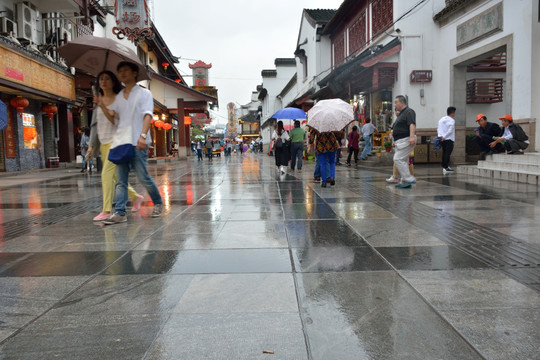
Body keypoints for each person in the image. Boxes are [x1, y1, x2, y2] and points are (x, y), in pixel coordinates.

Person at [99, 61, 163, 224]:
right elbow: (116, 119)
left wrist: (143, 135)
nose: (122, 74)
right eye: (120, 71)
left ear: (135, 73)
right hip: (122, 142)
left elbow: (148, 115)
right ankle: (120, 212)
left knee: (143, 177)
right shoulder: (119, 96)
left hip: (138, 141)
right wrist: (104, 107)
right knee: (121, 180)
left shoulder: (144, 94)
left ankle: (157, 203)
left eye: (126, 70)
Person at [88, 70, 144, 222]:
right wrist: (91, 145)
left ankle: (106, 210)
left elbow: (119, 121)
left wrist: (105, 108)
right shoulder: (98, 100)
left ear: (114, 81)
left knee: (106, 174)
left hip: (117, 142)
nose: (103, 81)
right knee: (115, 177)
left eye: (107, 78)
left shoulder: (119, 100)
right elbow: (94, 125)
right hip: (104, 143)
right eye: (101, 79)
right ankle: (136, 197)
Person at [392, 95, 416, 188]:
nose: (395, 104)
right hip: (400, 141)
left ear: (402, 102)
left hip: (406, 139)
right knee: (404, 160)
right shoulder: (401, 113)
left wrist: (411, 137)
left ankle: (408, 178)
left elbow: (412, 124)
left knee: (397, 159)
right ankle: (405, 181)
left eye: (396, 102)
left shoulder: (409, 112)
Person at [437, 106, 456, 174]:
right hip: (449, 139)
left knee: (444, 152)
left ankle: (444, 166)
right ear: (453, 113)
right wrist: (444, 137)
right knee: (447, 153)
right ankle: (446, 166)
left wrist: (440, 137)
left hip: (442, 139)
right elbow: (450, 131)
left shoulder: (441, 119)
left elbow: (438, 128)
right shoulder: (452, 120)